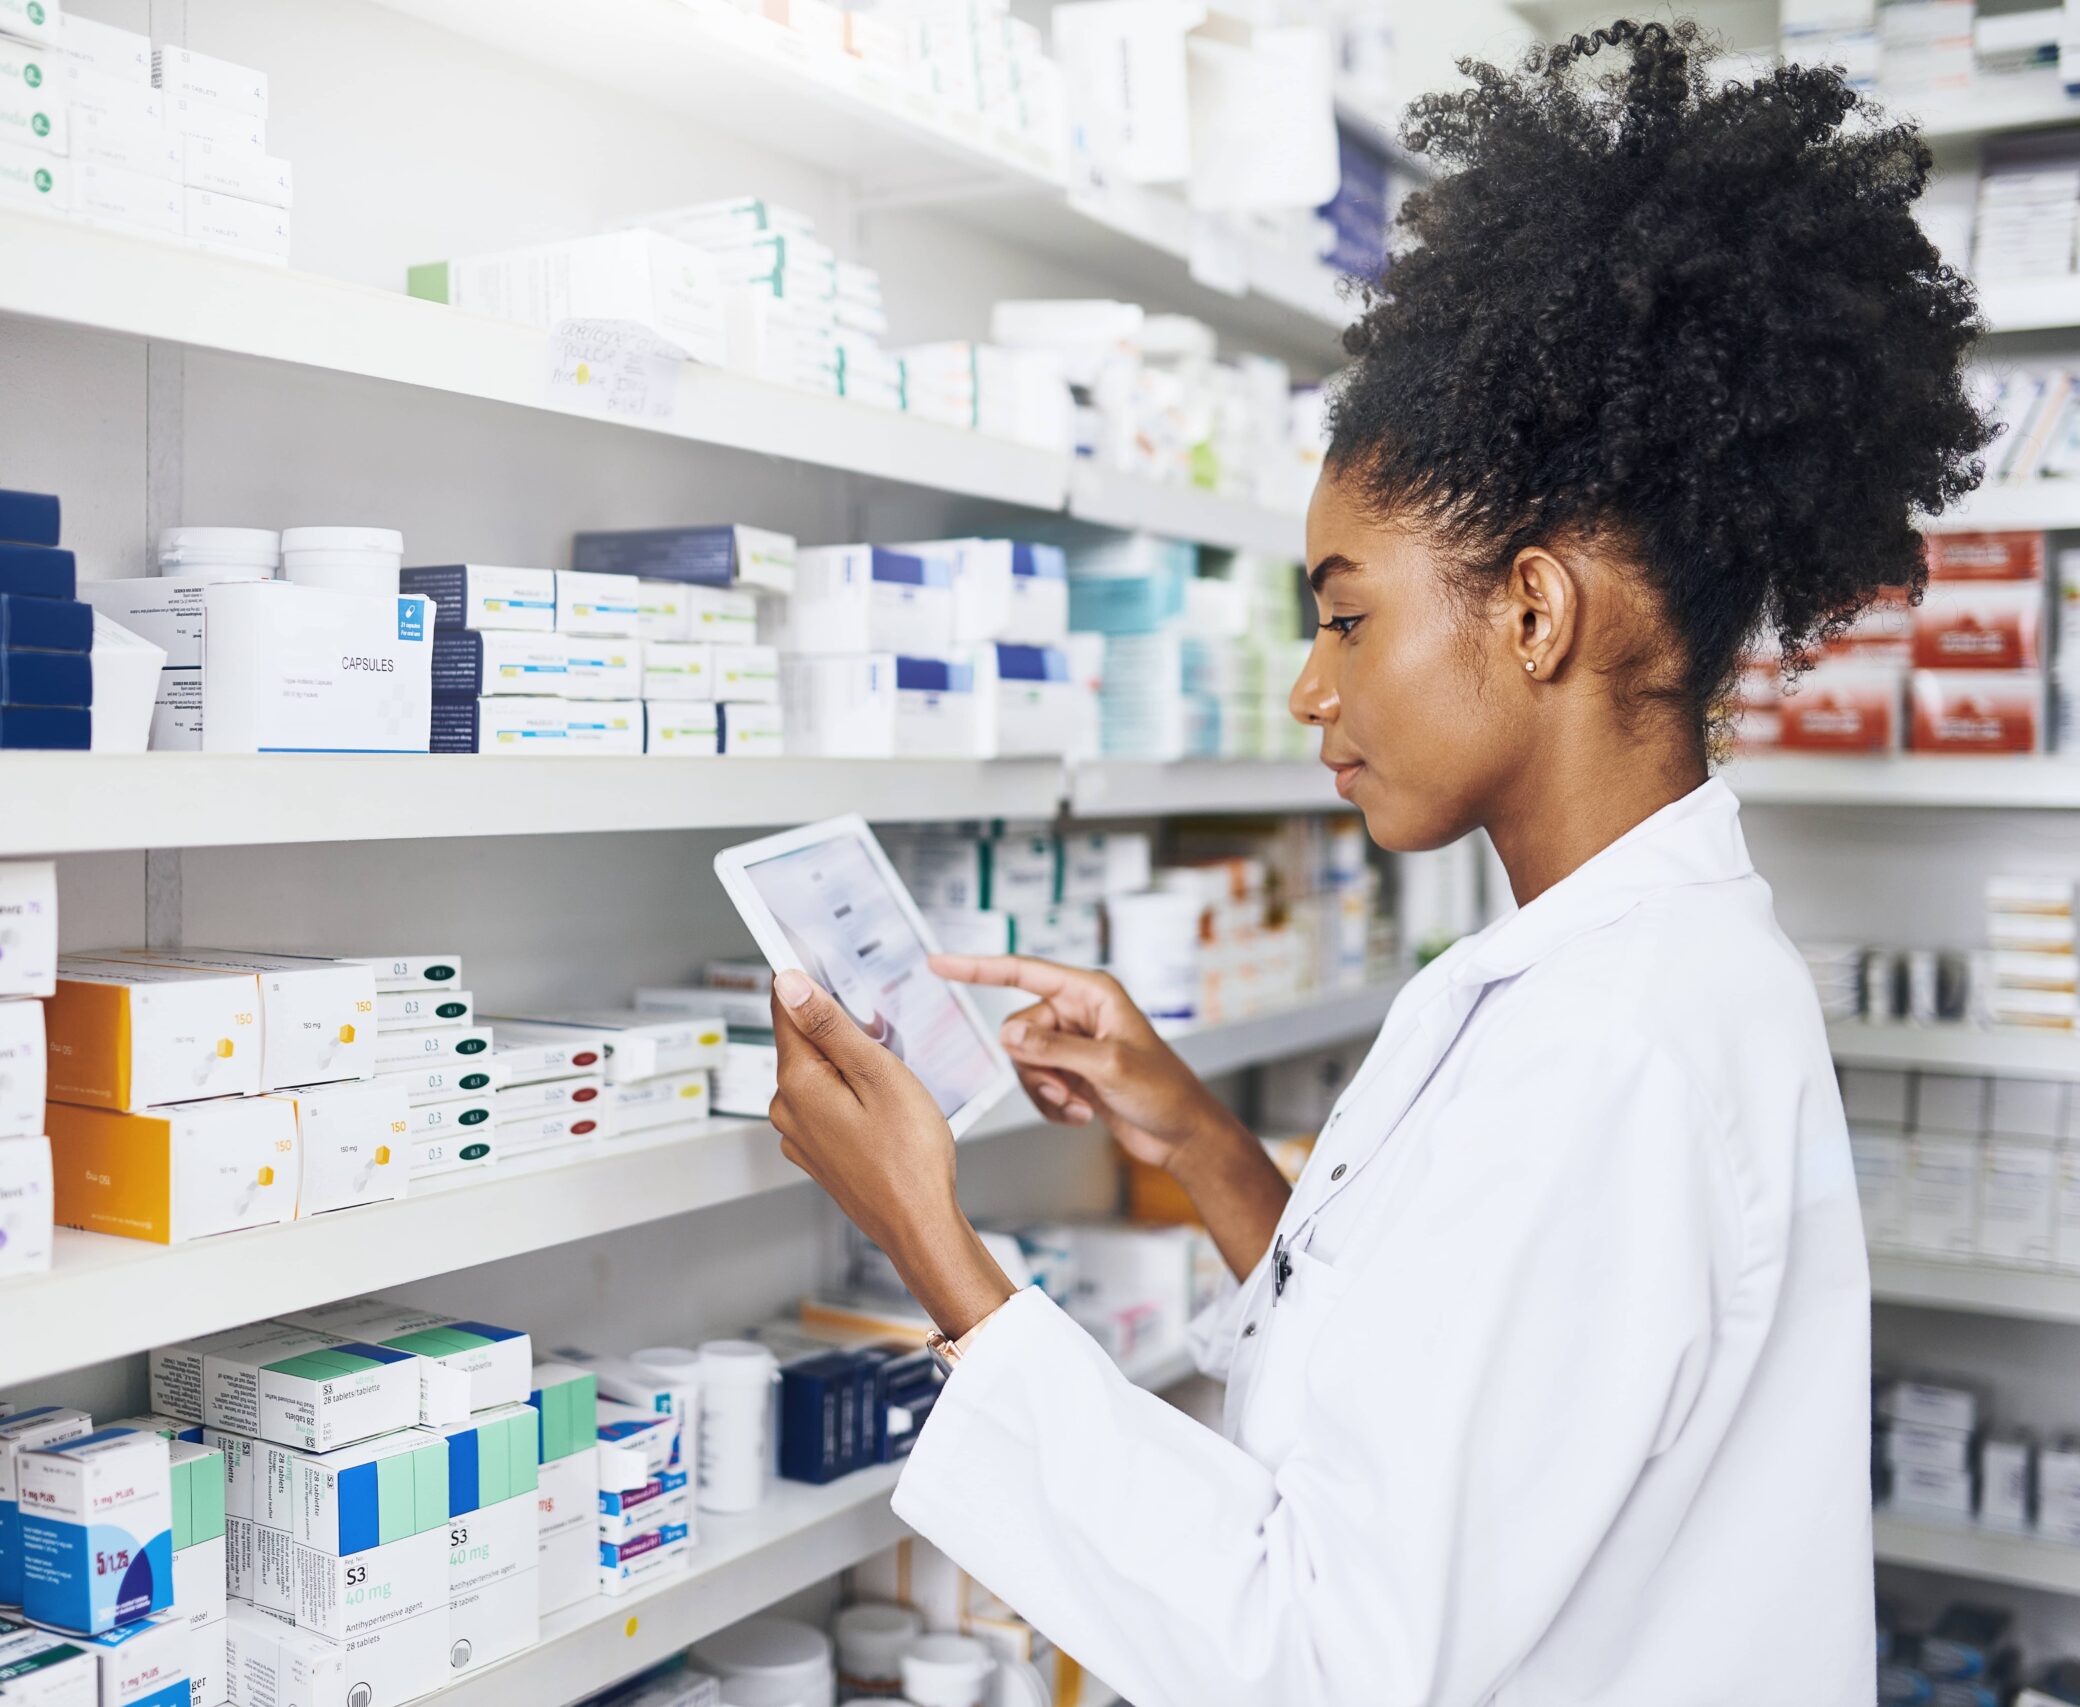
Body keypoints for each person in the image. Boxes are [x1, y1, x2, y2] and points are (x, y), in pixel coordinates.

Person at [763, 22, 1987, 1705]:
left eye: (1346, 615)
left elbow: (1326, 1652)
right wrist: (1189, 1132)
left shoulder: (1613, 1050)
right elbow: (1418, 1381)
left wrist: (931, 1242)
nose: (1311, 685)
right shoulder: (1578, 970)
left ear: (1537, 612)